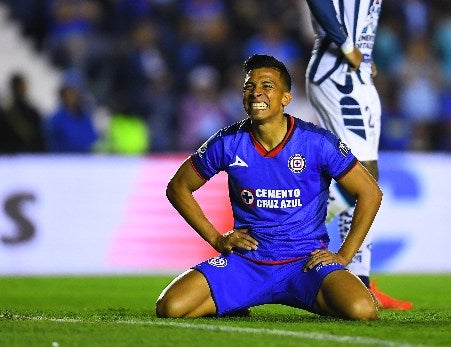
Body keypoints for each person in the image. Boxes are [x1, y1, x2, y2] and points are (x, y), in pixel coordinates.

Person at [156, 54, 381, 320]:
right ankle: (239, 300)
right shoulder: (228, 142)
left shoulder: (317, 142)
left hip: (305, 264)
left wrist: (344, 255)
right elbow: (178, 187)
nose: (256, 93)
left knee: (362, 310)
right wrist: (216, 238)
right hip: (247, 263)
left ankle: (237, 301)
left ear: (286, 98)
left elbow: (370, 192)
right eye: (249, 87)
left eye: (267, 86)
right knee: (170, 307)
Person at [302, 0, 412, 310]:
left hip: (355, 73)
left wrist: (363, 54)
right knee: (361, 180)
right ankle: (280, 232)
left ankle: (360, 280)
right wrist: (348, 46)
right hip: (337, 74)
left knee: (364, 177)